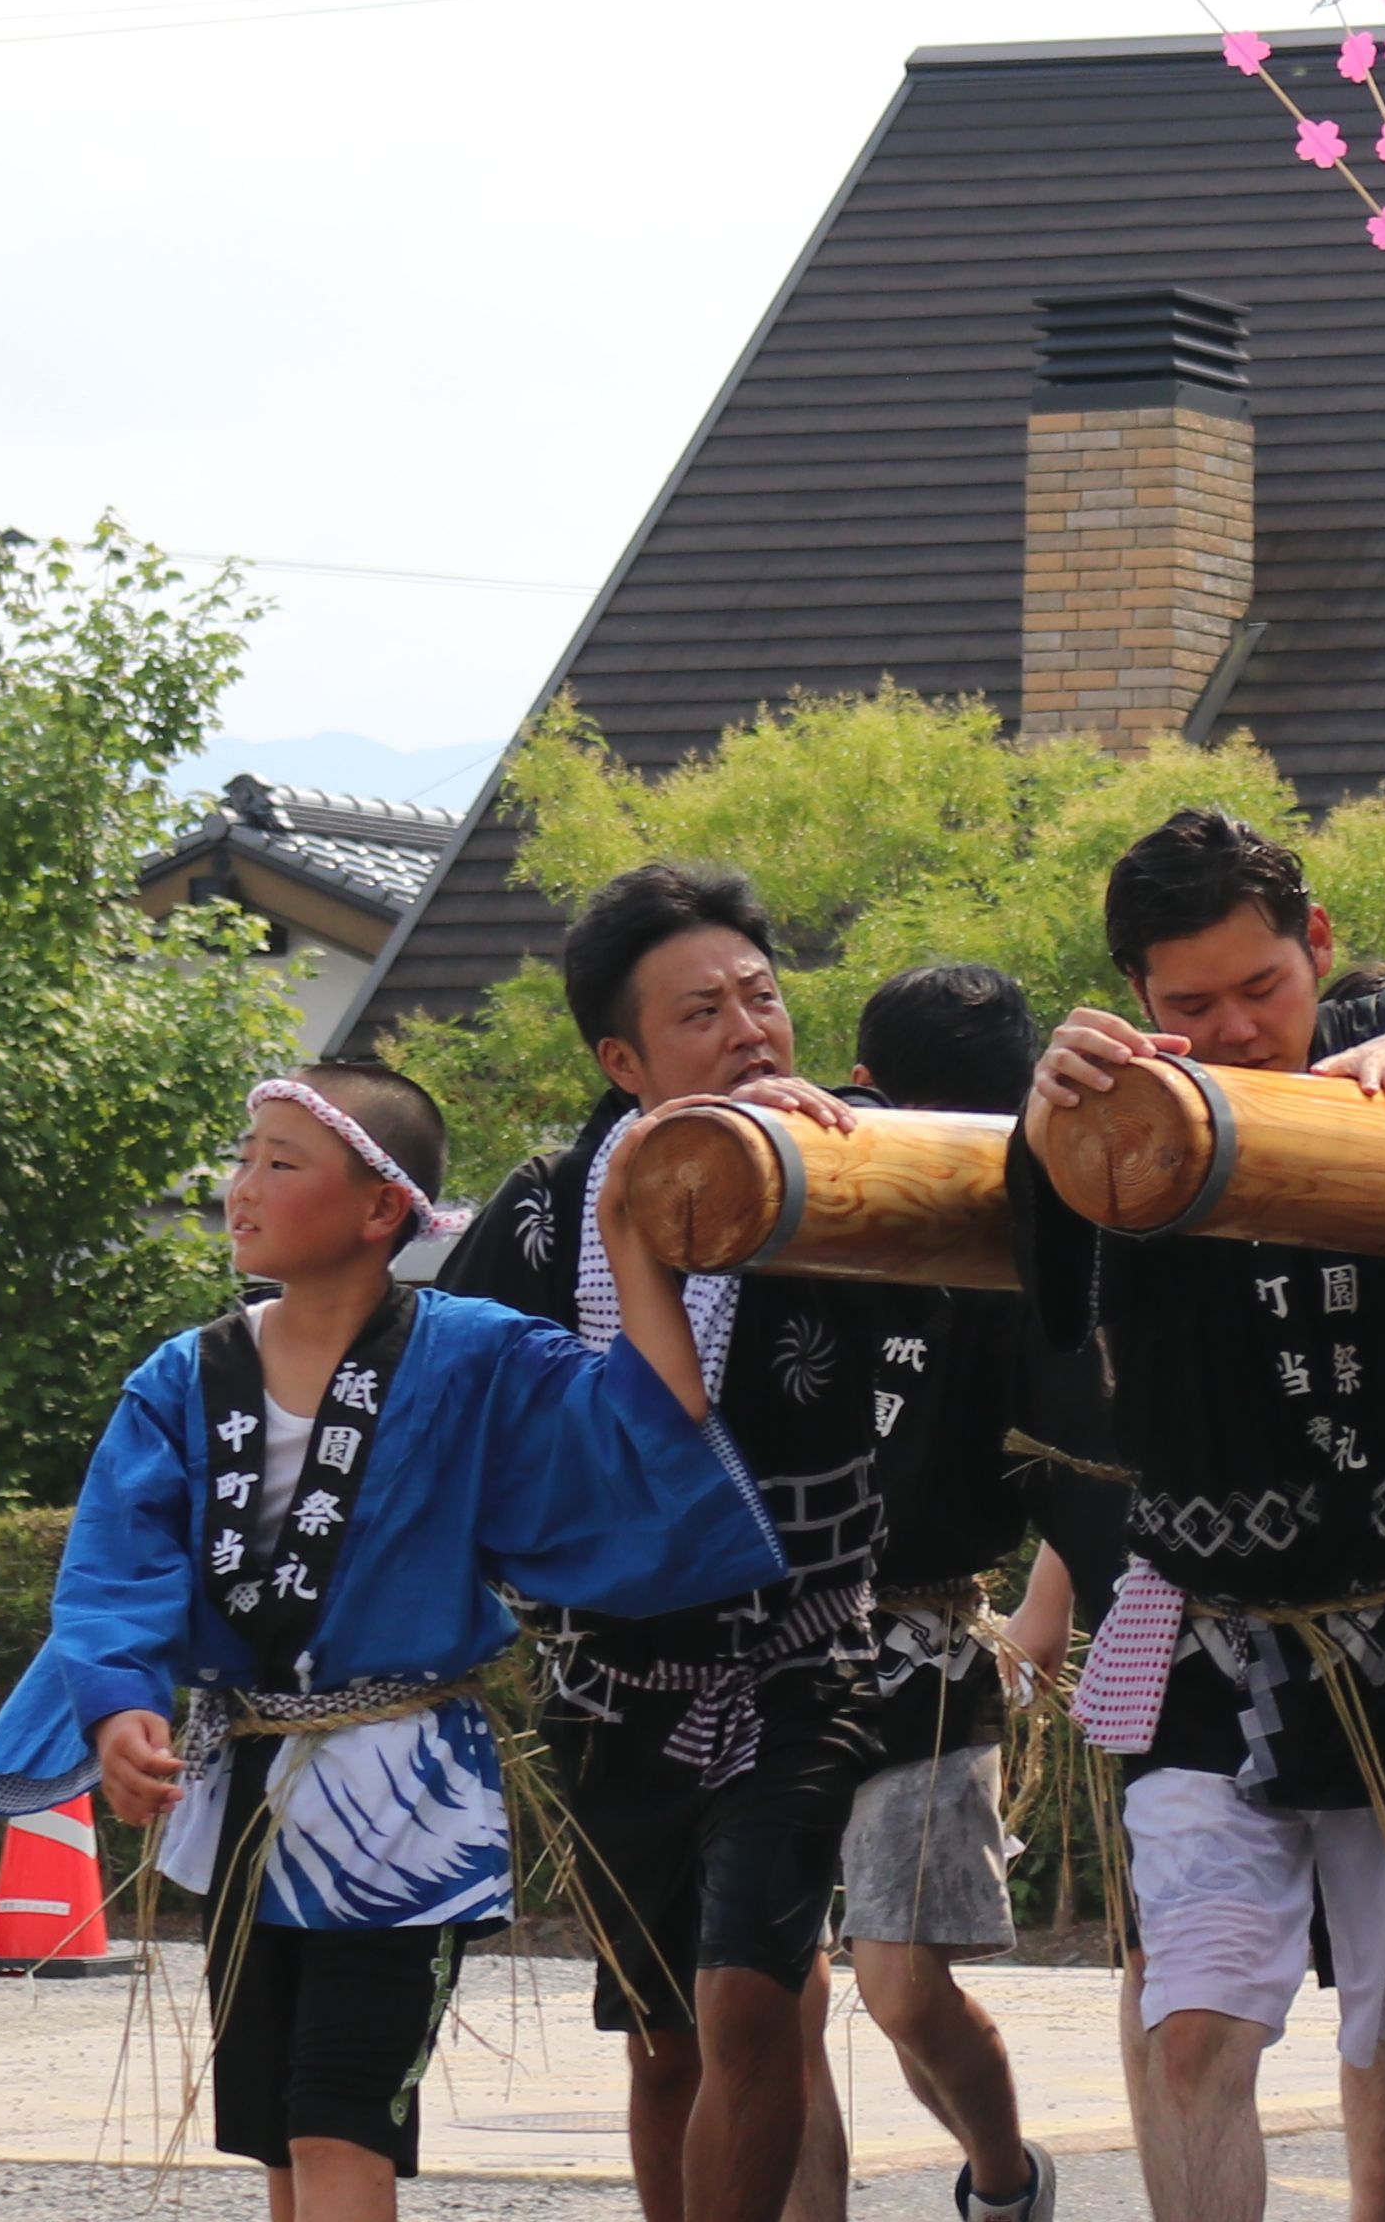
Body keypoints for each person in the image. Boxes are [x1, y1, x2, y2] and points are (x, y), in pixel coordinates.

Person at [0, 1066, 779, 2222]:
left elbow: (647, 1419)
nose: (241, 1187)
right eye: (243, 1156)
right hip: (243, 1778)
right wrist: (116, 1706)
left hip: (403, 1794)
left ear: (381, 1205)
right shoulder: (183, 1377)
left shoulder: (475, 1353)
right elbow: (117, 1562)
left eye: (280, 1163)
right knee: (279, 2139)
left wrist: (627, 1244)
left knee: (343, 2117)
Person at [1008, 813, 1385, 2222]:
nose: (1234, 1027)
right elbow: (1044, 1280)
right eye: (1191, 1005)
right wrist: (1051, 1117)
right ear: (1138, 1001)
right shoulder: (1111, 1108)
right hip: (1206, 1635)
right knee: (1195, 2029)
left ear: (1321, 949)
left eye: (1262, 988)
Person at [443, 869, 918, 2222]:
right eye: (702, 1013)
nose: (751, 1032)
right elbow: (461, 1412)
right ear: (623, 1059)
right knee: (661, 2038)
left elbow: (964, 1202)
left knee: (749, 2009)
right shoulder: (540, 1214)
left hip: (800, 1663)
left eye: (762, 996)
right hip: (608, 1685)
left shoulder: (853, 1151)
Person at [794, 965, 1057, 2222]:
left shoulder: (1028, 1229)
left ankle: (1005, 2180)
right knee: (767, 1989)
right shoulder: (795, 1184)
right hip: (764, 1639)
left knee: (900, 1987)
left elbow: (1083, 1461)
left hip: (926, 1639)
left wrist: (1050, 1628)